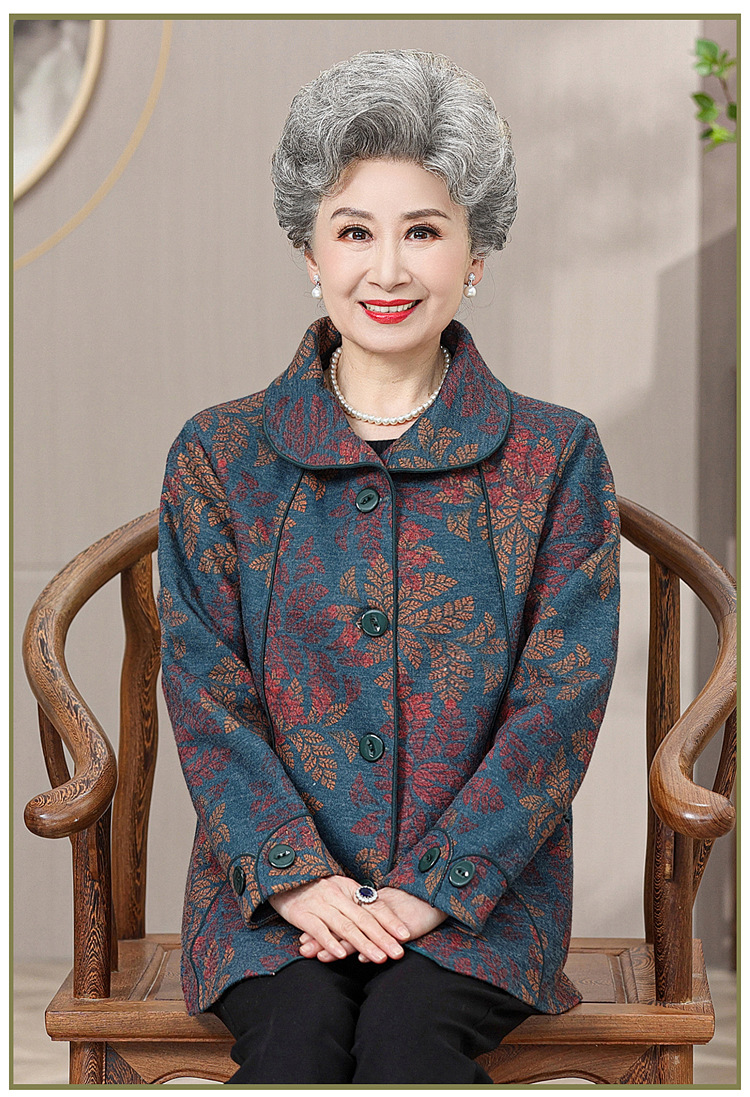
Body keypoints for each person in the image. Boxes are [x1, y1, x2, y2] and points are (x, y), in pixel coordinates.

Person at [157, 48, 620, 1085]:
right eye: (355, 230)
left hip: (484, 901)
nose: (389, 270)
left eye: (424, 230)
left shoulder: (557, 457)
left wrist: (432, 889)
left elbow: (559, 704)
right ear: (309, 249)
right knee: (296, 1041)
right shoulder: (220, 456)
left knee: (410, 1038)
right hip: (267, 901)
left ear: (477, 250)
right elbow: (205, 689)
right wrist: (292, 876)